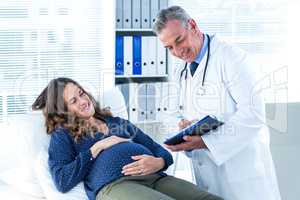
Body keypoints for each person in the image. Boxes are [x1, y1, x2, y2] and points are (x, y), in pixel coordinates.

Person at [153, 6, 281, 200]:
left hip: (242, 174)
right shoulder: (181, 69)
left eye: (179, 40)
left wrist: (205, 142)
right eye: (169, 48)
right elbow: (172, 112)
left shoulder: (232, 57)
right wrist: (183, 126)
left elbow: (254, 114)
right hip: (207, 175)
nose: (178, 51)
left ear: (193, 26)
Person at [31, 77, 222, 200]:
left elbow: (161, 150)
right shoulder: (63, 136)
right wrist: (98, 147)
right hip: (115, 186)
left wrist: (159, 161)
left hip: (156, 178)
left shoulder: (117, 122)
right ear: (64, 111)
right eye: (74, 101)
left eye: (81, 93)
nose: (83, 100)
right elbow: (62, 180)